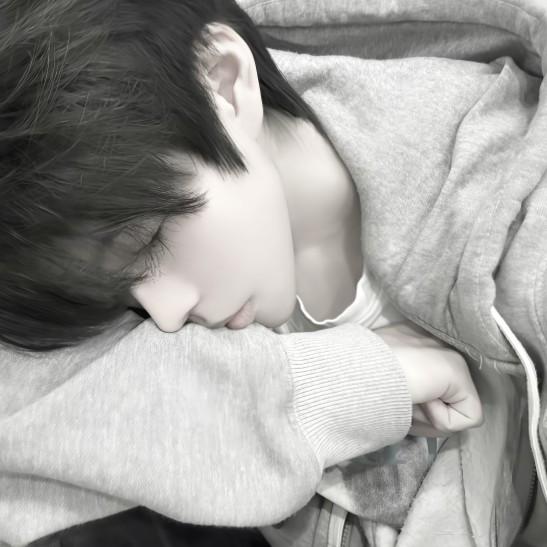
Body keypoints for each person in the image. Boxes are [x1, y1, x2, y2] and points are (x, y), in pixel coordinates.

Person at [1, 0, 541, 545]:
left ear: (225, 84)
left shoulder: (518, 211)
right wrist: (344, 385)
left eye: (147, 241)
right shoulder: (151, 277)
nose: (163, 315)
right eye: (125, 297)